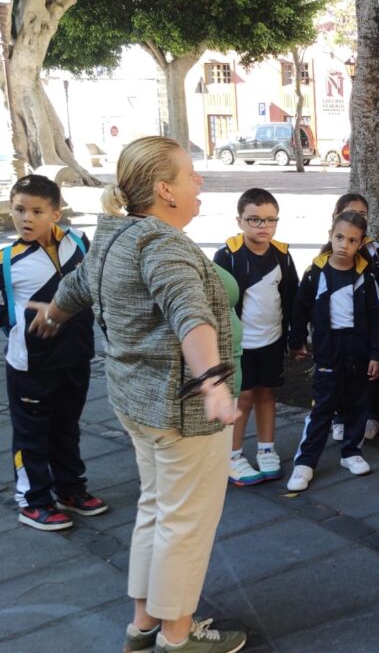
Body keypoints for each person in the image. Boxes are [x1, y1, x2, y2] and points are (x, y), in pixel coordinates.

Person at [28, 136, 244, 652]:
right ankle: (176, 636)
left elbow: (79, 285)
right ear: (166, 190)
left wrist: (54, 314)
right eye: (192, 175)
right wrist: (213, 382)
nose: (200, 182)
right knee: (184, 523)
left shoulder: (117, 235)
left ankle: (144, 624)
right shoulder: (163, 244)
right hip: (180, 410)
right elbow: (188, 311)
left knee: (158, 508)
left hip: (137, 403)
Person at [1, 174, 105, 531]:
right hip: (32, 364)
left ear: (56, 214)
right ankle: (34, 500)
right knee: (32, 434)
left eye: (36, 210)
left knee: (66, 427)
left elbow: (95, 290)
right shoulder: (6, 262)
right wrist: (29, 319)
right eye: (19, 210)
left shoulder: (78, 243)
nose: (26, 218)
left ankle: (70, 489)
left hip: (76, 356)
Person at [286, 210, 379, 491]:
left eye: (352, 240)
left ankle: (351, 452)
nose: (344, 244)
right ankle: (305, 462)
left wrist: (376, 353)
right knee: (323, 406)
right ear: (330, 235)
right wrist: (297, 340)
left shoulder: (366, 275)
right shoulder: (315, 272)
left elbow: (377, 317)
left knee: (357, 402)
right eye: (339, 237)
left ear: (361, 242)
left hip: (359, 349)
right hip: (329, 348)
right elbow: (300, 309)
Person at [213, 188, 299, 486]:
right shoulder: (228, 257)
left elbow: (292, 298)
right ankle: (233, 455)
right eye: (254, 220)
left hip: (272, 340)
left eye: (270, 220)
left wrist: (295, 337)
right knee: (243, 397)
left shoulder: (283, 255)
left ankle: (266, 448)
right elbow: (219, 302)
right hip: (240, 345)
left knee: (266, 393)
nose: (263, 226)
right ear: (240, 221)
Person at [329, 193, 379, 441]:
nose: (356, 218)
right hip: (338, 331)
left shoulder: (376, 251)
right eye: (349, 213)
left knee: (373, 370)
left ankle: (373, 415)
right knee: (339, 373)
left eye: (362, 214)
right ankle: (340, 415)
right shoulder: (325, 257)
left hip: (370, 327)